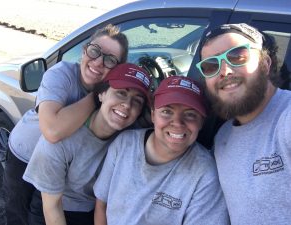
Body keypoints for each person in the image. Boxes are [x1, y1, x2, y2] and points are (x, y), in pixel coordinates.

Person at [3, 24, 128, 225]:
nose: (98, 62)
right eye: (95, 51)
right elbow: (52, 130)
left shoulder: (116, 95)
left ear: (119, 67)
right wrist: (98, 96)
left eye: (110, 59)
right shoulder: (61, 74)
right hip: (25, 154)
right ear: (85, 49)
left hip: (59, 168)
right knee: (18, 214)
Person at [22, 63, 152, 225]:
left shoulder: (131, 139)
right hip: (58, 209)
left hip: (95, 210)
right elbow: (52, 207)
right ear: (101, 94)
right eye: (121, 93)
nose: (127, 104)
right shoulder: (60, 141)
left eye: (137, 101)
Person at [94, 76, 230, 225]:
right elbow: (102, 204)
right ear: (153, 115)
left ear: (201, 122)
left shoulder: (205, 174)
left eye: (190, 114)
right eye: (167, 111)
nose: (177, 123)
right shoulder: (124, 144)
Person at [196, 23, 291, 224]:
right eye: (211, 66)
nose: (225, 71)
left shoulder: (286, 118)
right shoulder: (223, 139)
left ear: (265, 63)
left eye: (237, 56)